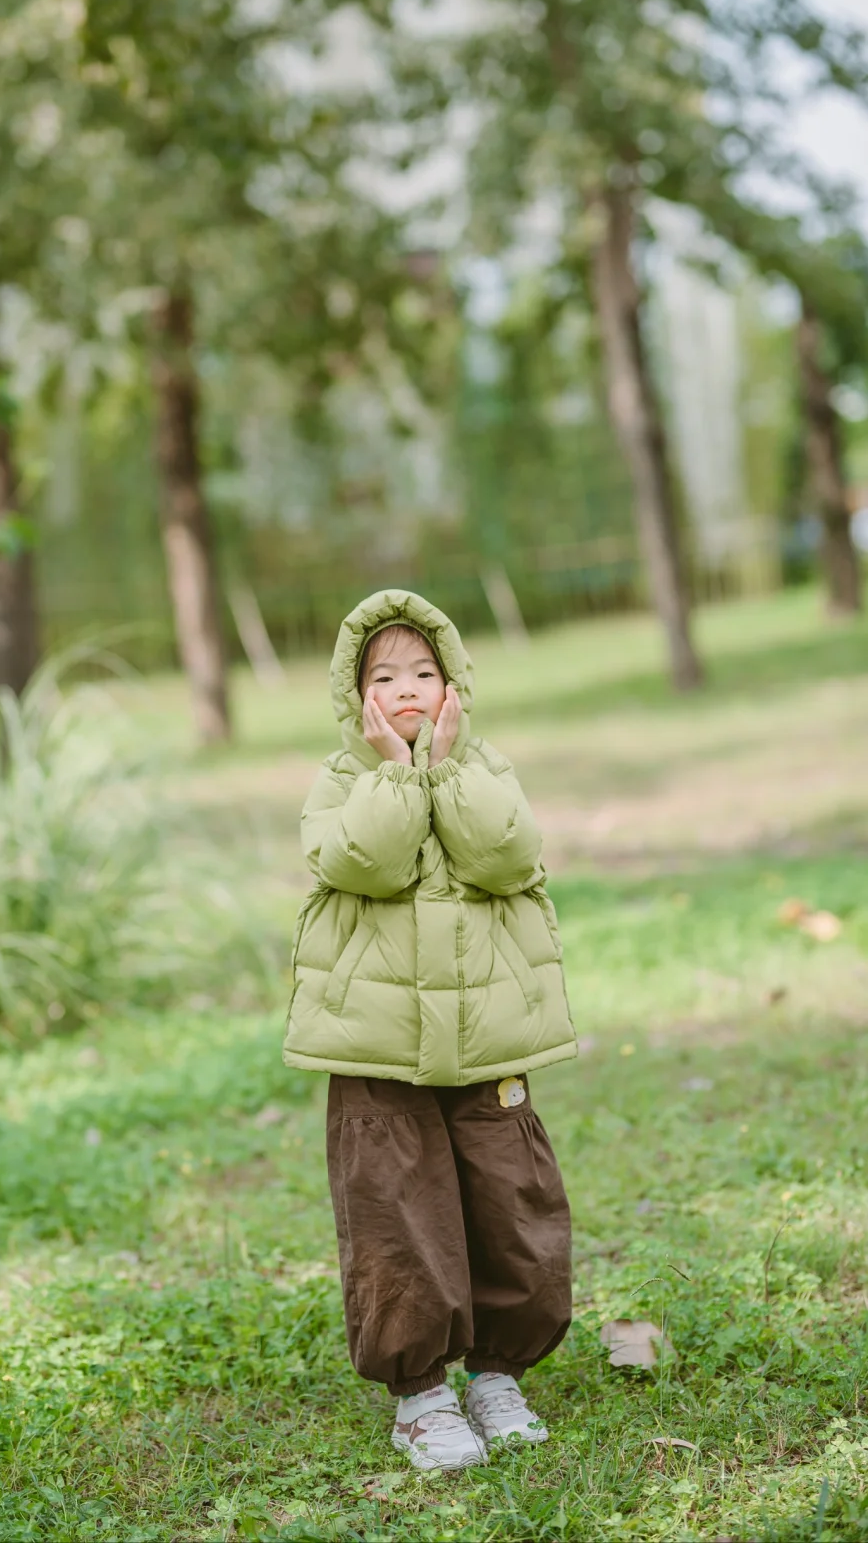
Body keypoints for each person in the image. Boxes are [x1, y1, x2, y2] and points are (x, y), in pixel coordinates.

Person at [284, 590, 576, 1471]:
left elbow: (507, 856)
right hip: (377, 1046)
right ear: (355, 697)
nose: (406, 689)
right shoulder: (342, 781)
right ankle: (421, 1396)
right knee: (396, 1210)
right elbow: (364, 863)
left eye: (423, 673)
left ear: (454, 687)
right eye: (384, 676)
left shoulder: (486, 769)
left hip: (487, 1038)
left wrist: (446, 771)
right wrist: (398, 775)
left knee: (508, 1202)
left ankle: (497, 1372)